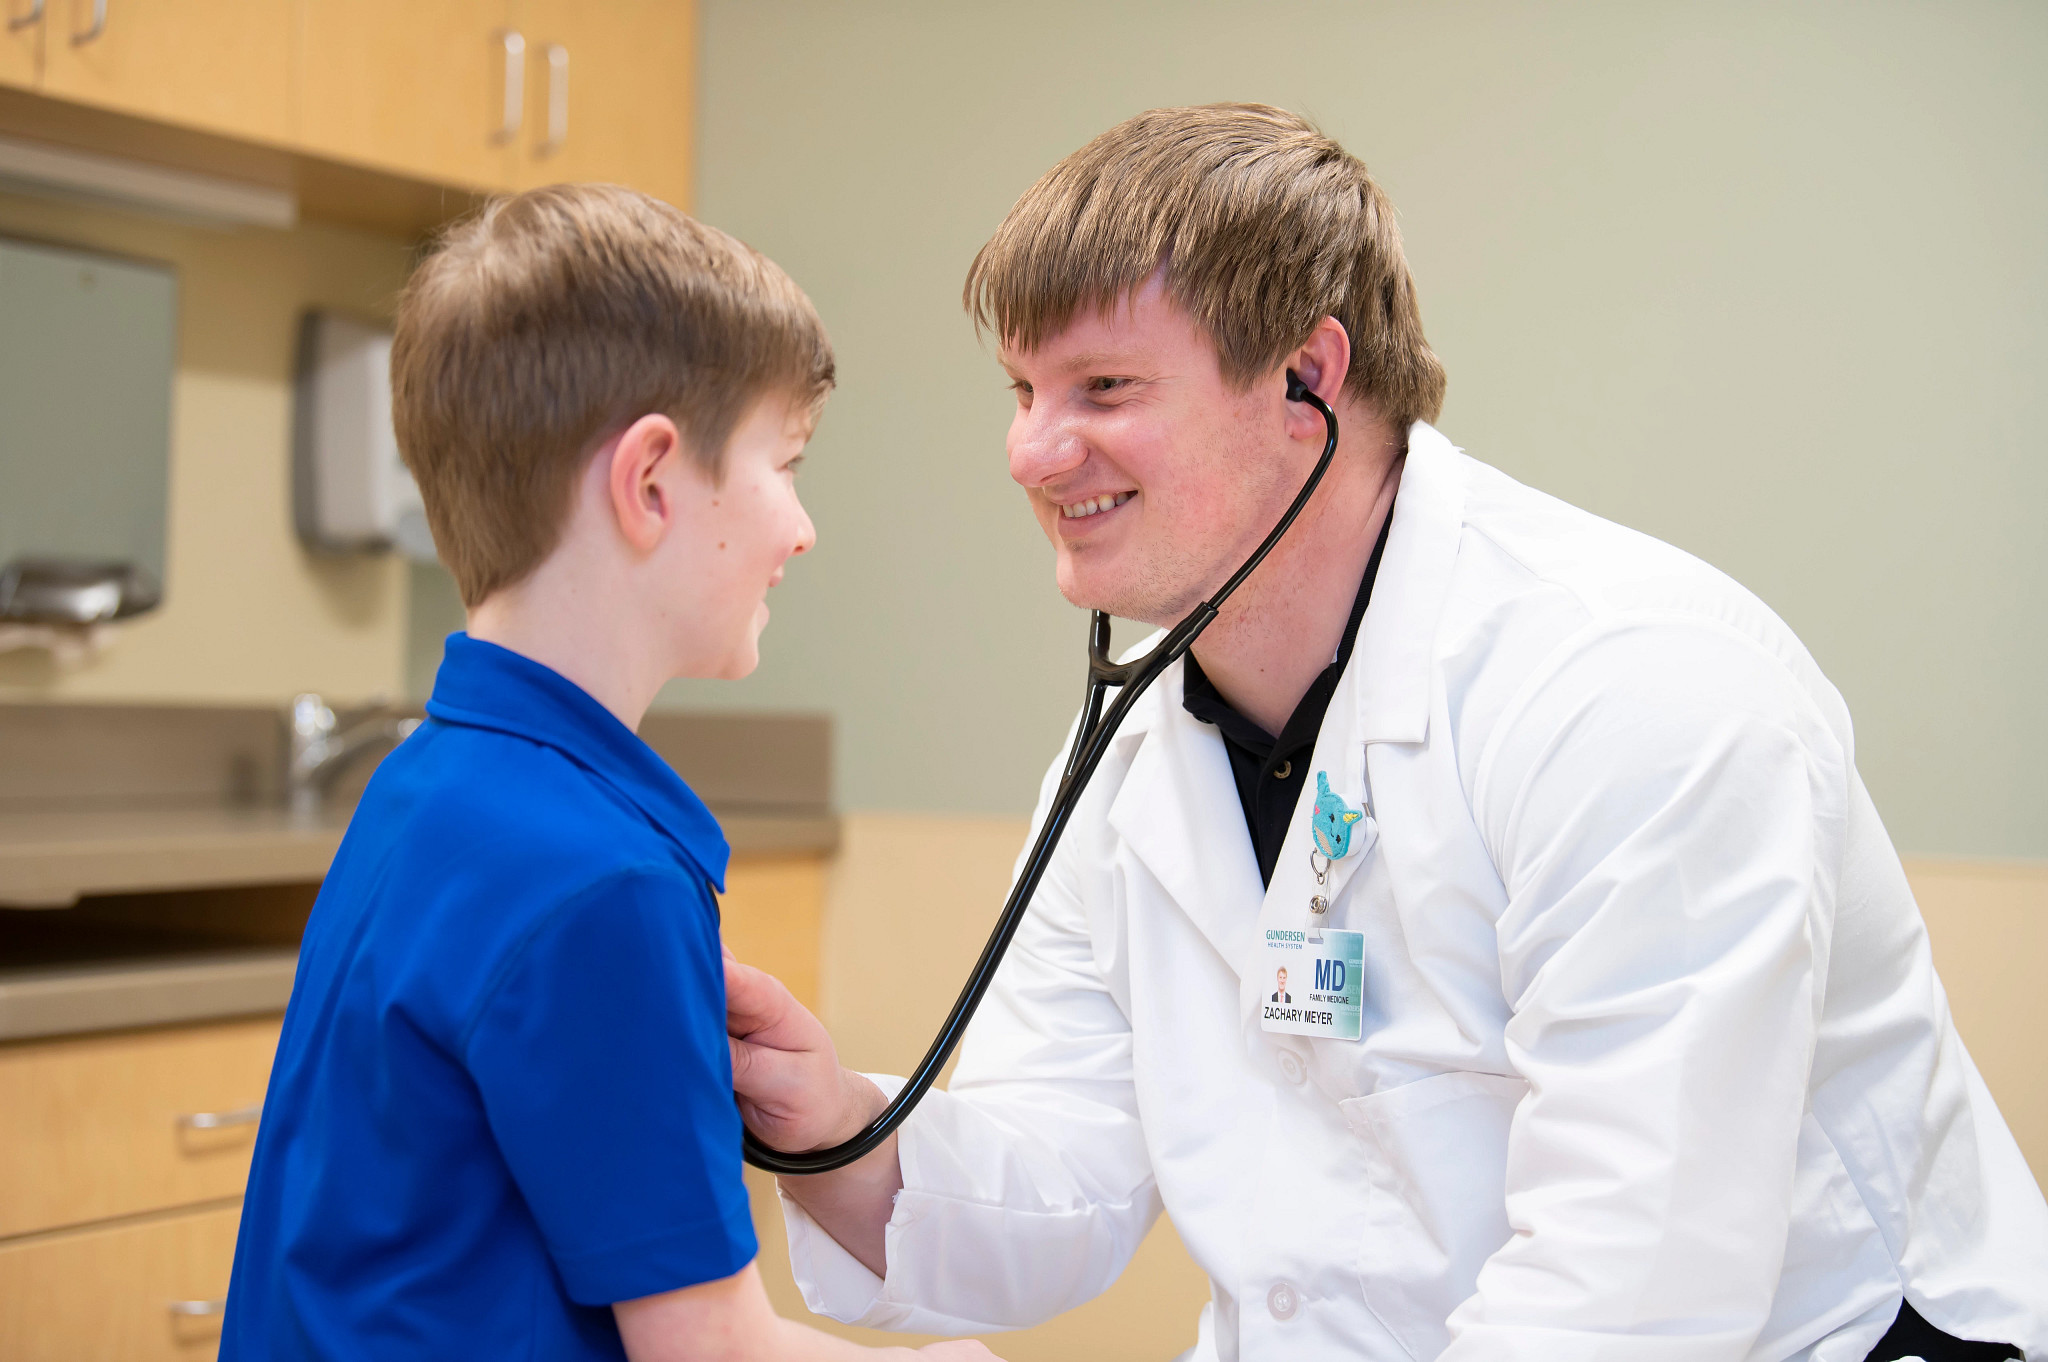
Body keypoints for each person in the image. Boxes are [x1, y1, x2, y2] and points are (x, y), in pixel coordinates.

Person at [724, 106, 2048, 1360]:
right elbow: (1063, 1162)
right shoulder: (1130, 759)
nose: (1029, 451)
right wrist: (834, 1127)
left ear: (1307, 376)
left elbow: (1629, 1292)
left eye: (1103, 387)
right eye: (1023, 389)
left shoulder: (1636, 693)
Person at [221, 185, 992, 1362]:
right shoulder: (601, 880)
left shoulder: (429, 789)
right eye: (785, 465)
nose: (800, 529)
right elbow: (708, 1350)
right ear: (649, 483)